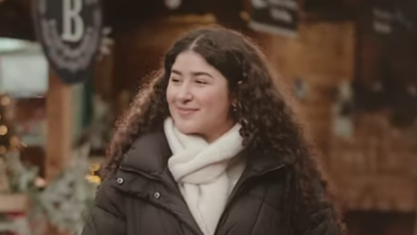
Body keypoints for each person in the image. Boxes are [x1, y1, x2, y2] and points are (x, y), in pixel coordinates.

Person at [81, 27, 345, 235]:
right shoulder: (132, 172)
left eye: (200, 81)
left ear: (236, 93)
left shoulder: (281, 170)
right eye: (175, 80)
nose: (182, 94)